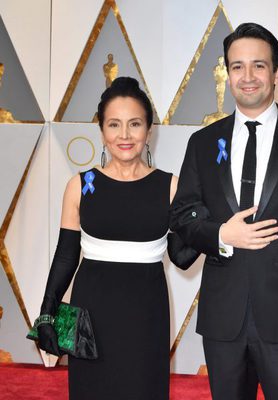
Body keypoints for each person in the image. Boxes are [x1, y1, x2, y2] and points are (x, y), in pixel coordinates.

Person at [170, 23, 278, 400]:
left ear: (277, 73)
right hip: (222, 317)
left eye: (259, 66)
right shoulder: (202, 143)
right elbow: (182, 216)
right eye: (237, 66)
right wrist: (221, 235)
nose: (247, 77)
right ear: (227, 73)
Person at [35, 77, 197, 399]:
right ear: (102, 130)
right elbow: (66, 256)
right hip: (87, 311)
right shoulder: (80, 185)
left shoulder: (171, 186)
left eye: (134, 124)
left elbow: (181, 256)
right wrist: (46, 316)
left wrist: (213, 228)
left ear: (149, 129)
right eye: (114, 124)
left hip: (146, 313)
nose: (124, 135)